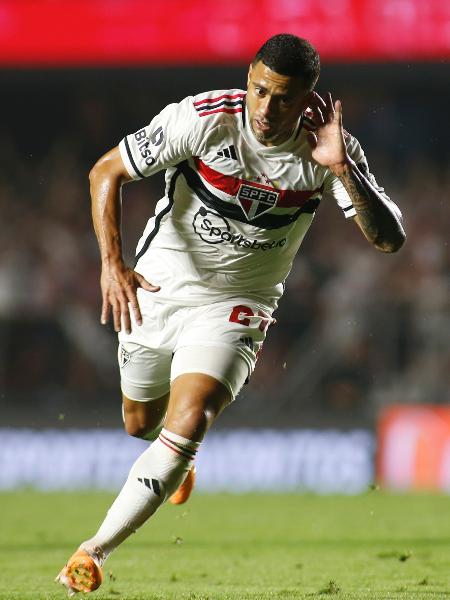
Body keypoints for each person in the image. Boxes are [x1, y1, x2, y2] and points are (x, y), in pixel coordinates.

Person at [56, 33, 405, 595]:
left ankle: (93, 550)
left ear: (308, 97)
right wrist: (111, 264)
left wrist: (343, 170)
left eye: (285, 98)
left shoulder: (327, 149)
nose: (268, 109)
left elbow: (389, 240)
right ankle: (176, 458)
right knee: (139, 423)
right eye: (261, 91)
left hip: (239, 304)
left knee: (189, 420)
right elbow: (105, 172)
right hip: (159, 288)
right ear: (249, 77)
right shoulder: (202, 119)